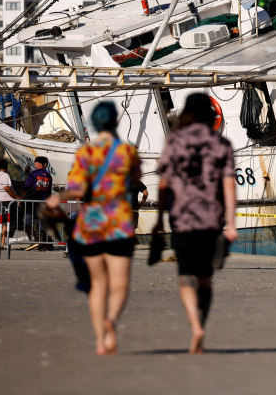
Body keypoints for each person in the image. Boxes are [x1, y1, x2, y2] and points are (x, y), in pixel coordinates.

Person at [46, 102, 141, 355]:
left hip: (91, 226)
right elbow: (134, 180)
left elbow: (77, 190)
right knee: (119, 284)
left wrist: (59, 196)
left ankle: (101, 341)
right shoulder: (128, 151)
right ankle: (111, 321)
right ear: (115, 121)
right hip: (119, 223)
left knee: (97, 285)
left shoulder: (86, 153)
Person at [156, 93, 237, 353]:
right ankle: (202, 321)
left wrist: (158, 219)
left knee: (186, 277)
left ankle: (195, 326)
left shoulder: (175, 142)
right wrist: (232, 223)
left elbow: (164, 184)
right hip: (212, 220)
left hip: (182, 219)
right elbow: (228, 186)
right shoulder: (221, 144)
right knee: (205, 280)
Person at [21, 156, 54, 245]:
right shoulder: (48, 176)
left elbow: (26, 188)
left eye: (36, 162)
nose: (34, 164)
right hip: (44, 202)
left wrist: (21, 199)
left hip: (32, 202)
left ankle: (34, 241)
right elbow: (49, 190)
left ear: (38, 164)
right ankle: (42, 242)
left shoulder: (34, 174)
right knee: (41, 222)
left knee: (27, 222)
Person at [0, 158, 16, 250]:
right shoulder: (5, 175)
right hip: (5, 202)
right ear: (7, 167)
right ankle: (2, 243)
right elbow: (7, 188)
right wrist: (15, 196)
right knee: (5, 223)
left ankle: (0, 242)